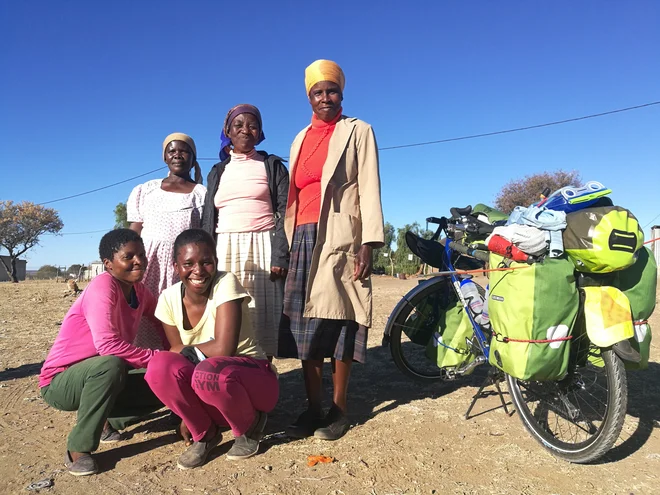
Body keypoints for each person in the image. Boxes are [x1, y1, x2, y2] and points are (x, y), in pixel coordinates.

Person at [278, 59, 385, 440]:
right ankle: (313, 408)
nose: (325, 98)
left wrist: (368, 243)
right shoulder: (299, 138)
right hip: (303, 237)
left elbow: (369, 186)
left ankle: (339, 410)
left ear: (342, 93)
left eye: (332, 91)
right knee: (305, 327)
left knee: (341, 320)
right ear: (309, 96)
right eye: (318, 92)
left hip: (341, 236)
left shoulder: (357, 131)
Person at [145, 229, 279, 468]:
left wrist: (187, 354)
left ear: (215, 263)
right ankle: (205, 434)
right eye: (188, 264)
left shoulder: (226, 283)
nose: (198, 271)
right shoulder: (167, 298)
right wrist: (187, 414)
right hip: (212, 388)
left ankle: (251, 424)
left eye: (206, 262)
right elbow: (175, 353)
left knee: (208, 370)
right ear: (176, 267)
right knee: (158, 366)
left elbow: (224, 347)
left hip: (254, 383)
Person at [39, 229, 164, 476]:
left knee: (166, 376)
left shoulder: (139, 291)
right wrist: (158, 356)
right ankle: (78, 448)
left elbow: (161, 319)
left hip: (102, 375)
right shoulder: (103, 287)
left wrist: (175, 353)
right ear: (108, 264)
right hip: (61, 382)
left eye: (141, 255)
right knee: (111, 364)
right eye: (128, 257)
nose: (138, 261)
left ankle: (106, 422)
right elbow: (107, 346)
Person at [201, 105, 289, 358]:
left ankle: (264, 377)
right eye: (238, 125)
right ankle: (230, 377)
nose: (245, 130)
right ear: (228, 131)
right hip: (224, 248)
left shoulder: (271, 165)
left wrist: (280, 255)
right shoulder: (218, 171)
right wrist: (208, 257)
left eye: (252, 125)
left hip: (263, 247)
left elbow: (285, 211)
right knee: (228, 316)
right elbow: (210, 216)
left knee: (263, 317)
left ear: (260, 132)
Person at [128, 133, 207, 349]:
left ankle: (175, 363)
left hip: (181, 268)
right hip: (148, 265)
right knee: (143, 314)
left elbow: (204, 235)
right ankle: (142, 367)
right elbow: (135, 229)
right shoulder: (146, 190)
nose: (177, 155)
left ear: (193, 158)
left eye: (184, 151)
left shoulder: (201, 194)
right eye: (172, 151)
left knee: (178, 314)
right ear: (164, 157)